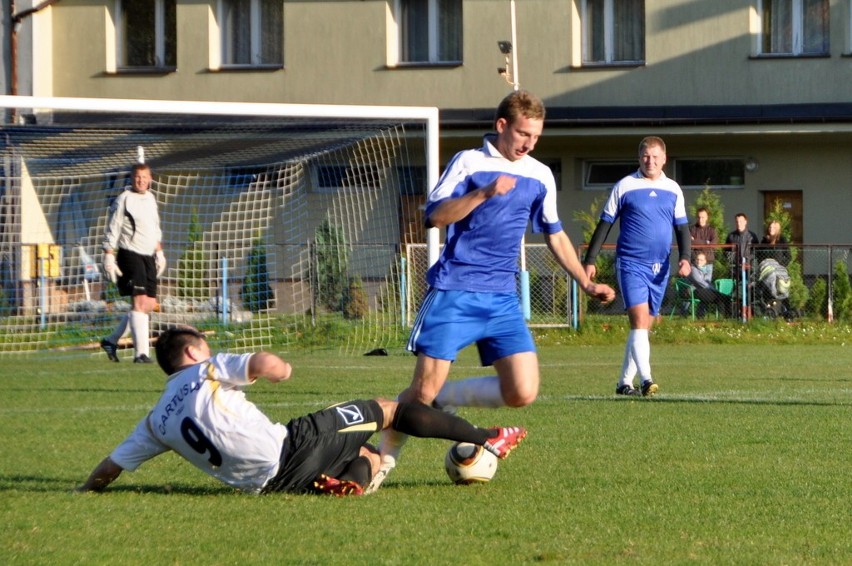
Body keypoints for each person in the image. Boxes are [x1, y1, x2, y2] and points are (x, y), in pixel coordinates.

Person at [366, 90, 615, 493]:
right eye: (522, 133)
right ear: (502, 126)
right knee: (419, 392)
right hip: (455, 290)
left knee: (523, 391)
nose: (528, 143)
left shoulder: (539, 174)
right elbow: (433, 215)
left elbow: (554, 234)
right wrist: (482, 193)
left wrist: (585, 282)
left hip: (502, 297)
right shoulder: (469, 162)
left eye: (535, 136)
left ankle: (443, 398)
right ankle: (383, 462)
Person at [77, 326, 526, 497]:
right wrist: (279, 368)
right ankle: (489, 437)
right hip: (294, 445)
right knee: (391, 409)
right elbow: (260, 363)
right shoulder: (207, 369)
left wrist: (84, 490)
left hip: (270, 485)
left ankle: (349, 482)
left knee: (367, 453)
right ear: (193, 352)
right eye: (205, 346)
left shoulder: (154, 420)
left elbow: (109, 468)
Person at [583, 136, 691, 397]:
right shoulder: (625, 186)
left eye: (655, 156)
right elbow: (605, 224)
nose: (650, 161)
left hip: (661, 267)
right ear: (638, 157)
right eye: (645, 156)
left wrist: (685, 257)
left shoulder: (674, 189)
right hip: (631, 263)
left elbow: (682, 228)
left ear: (664, 158)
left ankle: (623, 382)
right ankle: (647, 380)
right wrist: (590, 260)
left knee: (643, 327)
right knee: (640, 321)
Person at [100, 163, 166, 364]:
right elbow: (114, 227)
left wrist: (160, 252)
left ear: (150, 179)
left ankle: (111, 341)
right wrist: (109, 254)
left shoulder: (151, 199)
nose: (141, 180)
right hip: (130, 254)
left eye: (144, 177)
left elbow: (154, 228)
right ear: (131, 178)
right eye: (137, 177)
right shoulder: (124, 199)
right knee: (138, 303)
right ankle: (141, 354)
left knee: (148, 304)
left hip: (148, 255)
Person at [689, 207, 718, 279]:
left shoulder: (712, 230)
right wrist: (706, 242)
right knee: (697, 282)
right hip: (696, 262)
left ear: (707, 217)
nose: (700, 219)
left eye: (703, 217)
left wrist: (696, 242)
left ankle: (711, 290)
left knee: (706, 284)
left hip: (708, 261)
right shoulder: (692, 229)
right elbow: (690, 243)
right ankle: (714, 290)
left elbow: (713, 244)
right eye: (699, 217)